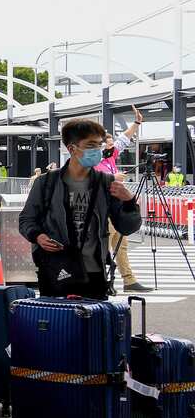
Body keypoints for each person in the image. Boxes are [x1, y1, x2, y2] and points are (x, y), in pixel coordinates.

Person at [20, 118, 143, 300]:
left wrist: (129, 202)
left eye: (99, 145)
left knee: (92, 325)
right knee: (58, 322)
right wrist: (37, 236)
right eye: (91, 145)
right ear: (72, 149)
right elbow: (26, 220)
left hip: (94, 272)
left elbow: (127, 227)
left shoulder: (106, 183)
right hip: (56, 269)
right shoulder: (46, 183)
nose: (98, 151)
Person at [96, 106, 149, 292]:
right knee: (103, 246)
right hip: (101, 210)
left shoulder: (110, 158)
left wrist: (136, 123)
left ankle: (129, 281)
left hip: (116, 208)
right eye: (108, 145)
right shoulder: (92, 162)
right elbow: (90, 182)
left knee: (122, 245)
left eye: (112, 144)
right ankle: (102, 282)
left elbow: (124, 138)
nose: (112, 147)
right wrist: (113, 178)